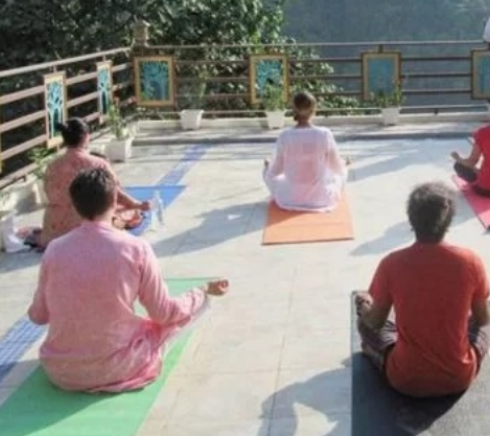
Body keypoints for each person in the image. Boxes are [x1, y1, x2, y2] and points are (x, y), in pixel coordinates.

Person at [27, 167, 230, 392]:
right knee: (191, 310)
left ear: (75, 205)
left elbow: (38, 316)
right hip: (118, 367)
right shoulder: (136, 248)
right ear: (115, 201)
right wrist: (200, 292)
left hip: (61, 371)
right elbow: (164, 313)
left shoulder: (55, 250)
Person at [355, 182, 490, 398]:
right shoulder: (470, 261)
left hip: (405, 378)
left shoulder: (391, 263)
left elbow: (375, 322)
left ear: (411, 220)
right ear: (448, 222)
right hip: (458, 377)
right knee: (486, 316)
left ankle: (375, 353)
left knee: (365, 324)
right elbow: (483, 319)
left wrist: (364, 309)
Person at [38, 118, 149, 248]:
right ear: (86, 137)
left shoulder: (52, 166)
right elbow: (114, 193)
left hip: (54, 228)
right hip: (86, 223)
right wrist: (136, 204)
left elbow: (49, 194)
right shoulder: (98, 164)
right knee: (129, 212)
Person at [263, 91, 347, 212]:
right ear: (314, 109)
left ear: (294, 109)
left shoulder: (285, 135)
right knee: (342, 172)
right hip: (321, 198)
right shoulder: (324, 134)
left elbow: (276, 172)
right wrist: (344, 164)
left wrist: (268, 165)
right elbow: (336, 168)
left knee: (267, 171)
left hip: (290, 198)